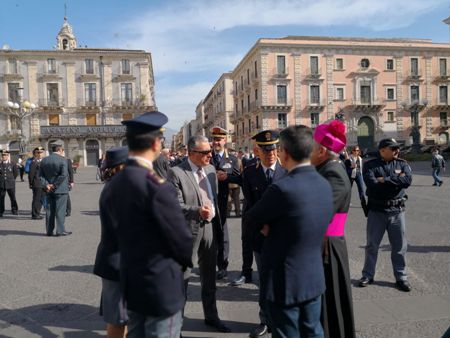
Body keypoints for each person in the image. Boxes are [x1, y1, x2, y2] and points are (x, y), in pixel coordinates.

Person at [103, 111, 193, 338]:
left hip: (131, 279)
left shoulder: (112, 185)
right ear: (155, 143)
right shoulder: (155, 186)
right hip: (160, 283)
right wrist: (182, 265)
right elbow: (181, 240)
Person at [243, 125, 333, 338]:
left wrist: (270, 228)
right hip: (313, 277)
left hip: (285, 281)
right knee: (313, 331)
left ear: (284, 151)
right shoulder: (323, 183)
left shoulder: (282, 188)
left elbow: (251, 219)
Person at [168, 135, 231, 334]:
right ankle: (175, 325)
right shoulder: (176, 173)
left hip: (210, 228)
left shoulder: (211, 170)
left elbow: (214, 197)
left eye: (210, 151)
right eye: (205, 152)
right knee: (182, 279)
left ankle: (211, 316)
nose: (209, 155)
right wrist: (196, 211)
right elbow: (173, 205)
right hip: (187, 231)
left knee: (209, 277)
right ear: (192, 153)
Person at [232, 130, 287, 338]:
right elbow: (251, 206)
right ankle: (265, 320)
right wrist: (261, 226)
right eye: (265, 150)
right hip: (261, 235)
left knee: (282, 279)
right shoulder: (250, 172)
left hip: (282, 235)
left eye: (273, 148)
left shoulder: (286, 170)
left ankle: (282, 318)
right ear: (257, 151)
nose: (270, 153)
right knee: (264, 280)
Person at [310, 120, 356, 338]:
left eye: (311, 145)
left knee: (331, 304)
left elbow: (318, 212)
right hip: (322, 247)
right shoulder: (323, 168)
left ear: (321, 150)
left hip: (329, 249)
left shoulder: (333, 172)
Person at [359, 138, 413, 292]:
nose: (397, 151)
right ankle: (368, 275)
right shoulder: (370, 165)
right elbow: (372, 186)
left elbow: (408, 180)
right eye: (393, 148)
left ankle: (401, 277)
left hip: (397, 212)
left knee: (399, 247)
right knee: (371, 246)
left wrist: (385, 180)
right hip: (377, 212)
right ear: (383, 150)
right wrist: (396, 182)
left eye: (397, 148)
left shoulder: (402, 163)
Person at [94, 146, 129, 338]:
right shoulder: (119, 189)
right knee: (118, 318)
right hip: (118, 262)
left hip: (116, 260)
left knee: (124, 317)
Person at [210, 126, 241, 279]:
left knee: (222, 234)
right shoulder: (206, 158)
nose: (217, 142)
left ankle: (222, 265)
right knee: (207, 234)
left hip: (222, 201)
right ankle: (208, 263)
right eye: (215, 139)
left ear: (225, 140)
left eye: (220, 139)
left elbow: (238, 178)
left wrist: (225, 177)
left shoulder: (232, 159)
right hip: (207, 201)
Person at [39, 140, 71, 236]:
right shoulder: (63, 160)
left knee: (49, 210)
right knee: (60, 210)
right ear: (60, 149)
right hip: (60, 189)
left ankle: (49, 231)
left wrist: (47, 185)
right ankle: (60, 231)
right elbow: (64, 175)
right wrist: (55, 185)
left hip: (48, 189)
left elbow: (41, 175)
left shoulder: (44, 160)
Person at [0, 150, 19, 217]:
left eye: (5, 155)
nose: (4, 156)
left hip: (10, 183)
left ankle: (14, 210)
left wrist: (12, 179)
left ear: (8, 156)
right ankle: (1, 211)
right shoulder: (0, 164)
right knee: (1, 198)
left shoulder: (12, 163)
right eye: (3, 155)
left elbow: (16, 173)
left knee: (13, 197)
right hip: (2, 184)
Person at [28, 147, 45, 220]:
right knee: (36, 199)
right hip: (37, 183)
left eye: (41, 152)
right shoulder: (34, 162)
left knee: (41, 199)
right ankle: (34, 214)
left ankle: (37, 212)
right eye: (38, 152)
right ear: (35, 154)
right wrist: (31, 184)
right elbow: (31, 175)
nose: (40, 154)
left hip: (43, 183)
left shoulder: (44, 162)